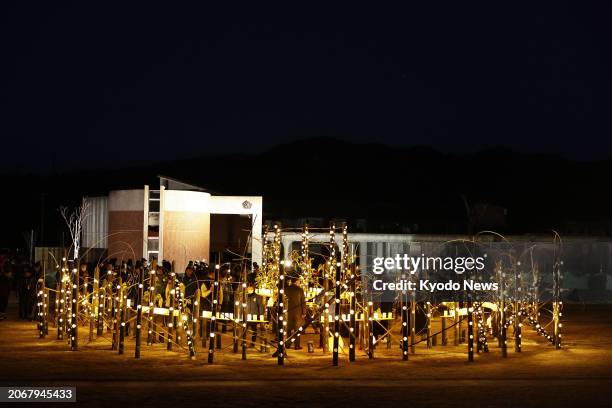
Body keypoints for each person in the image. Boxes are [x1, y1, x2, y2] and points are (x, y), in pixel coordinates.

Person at [284, 275, 307, 350]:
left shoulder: (287, 289)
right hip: (298, 311)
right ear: (297, 281)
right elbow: (303, 302)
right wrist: (304, 312)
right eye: (299, 281)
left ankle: (287, 344)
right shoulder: (300, 290)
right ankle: (297, 345)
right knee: (297, 329)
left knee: (289, 329)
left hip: (289, 311)